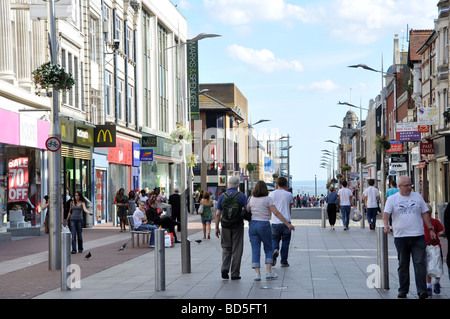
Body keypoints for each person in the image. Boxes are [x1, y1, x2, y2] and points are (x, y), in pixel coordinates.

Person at [383, 175, 437, 299]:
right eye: (406, 185)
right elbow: (386, 214)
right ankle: (403, 290)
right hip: (400, 237)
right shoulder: (392, 199)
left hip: (418, 236)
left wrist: (430, 229)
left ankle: (422, 290)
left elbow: (425, 213)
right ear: (399, 187)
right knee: (403, 264)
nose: (409, 188)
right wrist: (386, 225)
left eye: (410, 185)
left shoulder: (417, 196)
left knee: (419, 263)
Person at [247, 181, 295, 281]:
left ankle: (257, 274)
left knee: (255, 249)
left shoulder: (251, 199)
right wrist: (288, 224)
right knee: (268, 248)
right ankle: (268, 272)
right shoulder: (267, 199)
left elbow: (247, 211)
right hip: (264, 224)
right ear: (265, 189)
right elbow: (276, 213)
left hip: (253, 225)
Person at [215, 176, 247, 280]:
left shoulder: (222, 196)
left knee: (226, 247)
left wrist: (216, 227)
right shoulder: (241, 196)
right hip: (237, 224)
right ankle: (235, 273)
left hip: (225, 225)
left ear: (229, 183)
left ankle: (224, 268)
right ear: (238, 185)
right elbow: (247, 209)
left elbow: (217, 213)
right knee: (237, 249)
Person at [269, 176, 294, 267]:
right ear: (286, 184)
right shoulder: (289, 194)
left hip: (275, 222)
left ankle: (275, 249)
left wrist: (271, 217)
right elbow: (290, 208)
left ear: (277, 184)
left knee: (274, 239)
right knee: (285, 242)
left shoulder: (271, 194)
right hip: (286, 222)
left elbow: (270, 209)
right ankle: (284, 261)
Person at [423, 204, 445, 296]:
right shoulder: (419, 222)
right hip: (425, 248)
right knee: (427, 268)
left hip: (436, 247)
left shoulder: (435, 222)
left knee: (438, 266)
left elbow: (441, 232)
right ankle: (428, 286)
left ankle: (436, 283)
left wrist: (441, 234)